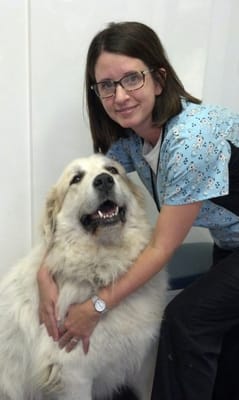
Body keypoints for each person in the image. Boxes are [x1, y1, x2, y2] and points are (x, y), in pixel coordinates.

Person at [37, 21, 239, 400]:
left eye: (132, 78)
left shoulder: (192, 139)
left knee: (187, 322)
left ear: (159, 80)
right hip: (230, 241)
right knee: (226, 340)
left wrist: (95, 306)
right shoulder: (136, 142)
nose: (120, 96)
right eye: (107, 86)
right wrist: (45, 273)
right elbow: (83, 199)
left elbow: (161, 248)